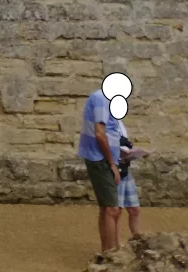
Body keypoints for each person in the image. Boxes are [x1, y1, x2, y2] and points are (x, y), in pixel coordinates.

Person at [77, 86, 122, 252]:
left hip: (102, 157)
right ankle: (110, 255)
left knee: (106, 207)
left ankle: (106, 252)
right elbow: (100, 134)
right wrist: (111, 162)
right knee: (112, 208)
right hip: (101, 158)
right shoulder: (102, 99)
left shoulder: (103, 99)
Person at [117, 122, 142, 237]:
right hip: (115, 168)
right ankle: (114, 246)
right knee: (116, 211)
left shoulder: (119, 122)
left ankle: (138, 241)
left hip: (125, 168)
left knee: (134, 209)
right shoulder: (105, 119)